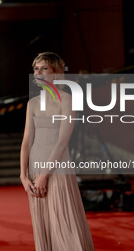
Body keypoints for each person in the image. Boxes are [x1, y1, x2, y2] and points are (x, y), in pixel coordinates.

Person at [20, 52, 95, 250]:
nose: (38, 73)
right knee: (43, 221)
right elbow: (27, 140)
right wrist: (23, 175)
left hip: (58, 167)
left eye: (44, 68)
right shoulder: (32, 103)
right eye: (36, 69)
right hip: (35, 166)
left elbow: (62, 142)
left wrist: (45, 175)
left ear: (56, 73)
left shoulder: (67, 99)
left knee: (64, 221)